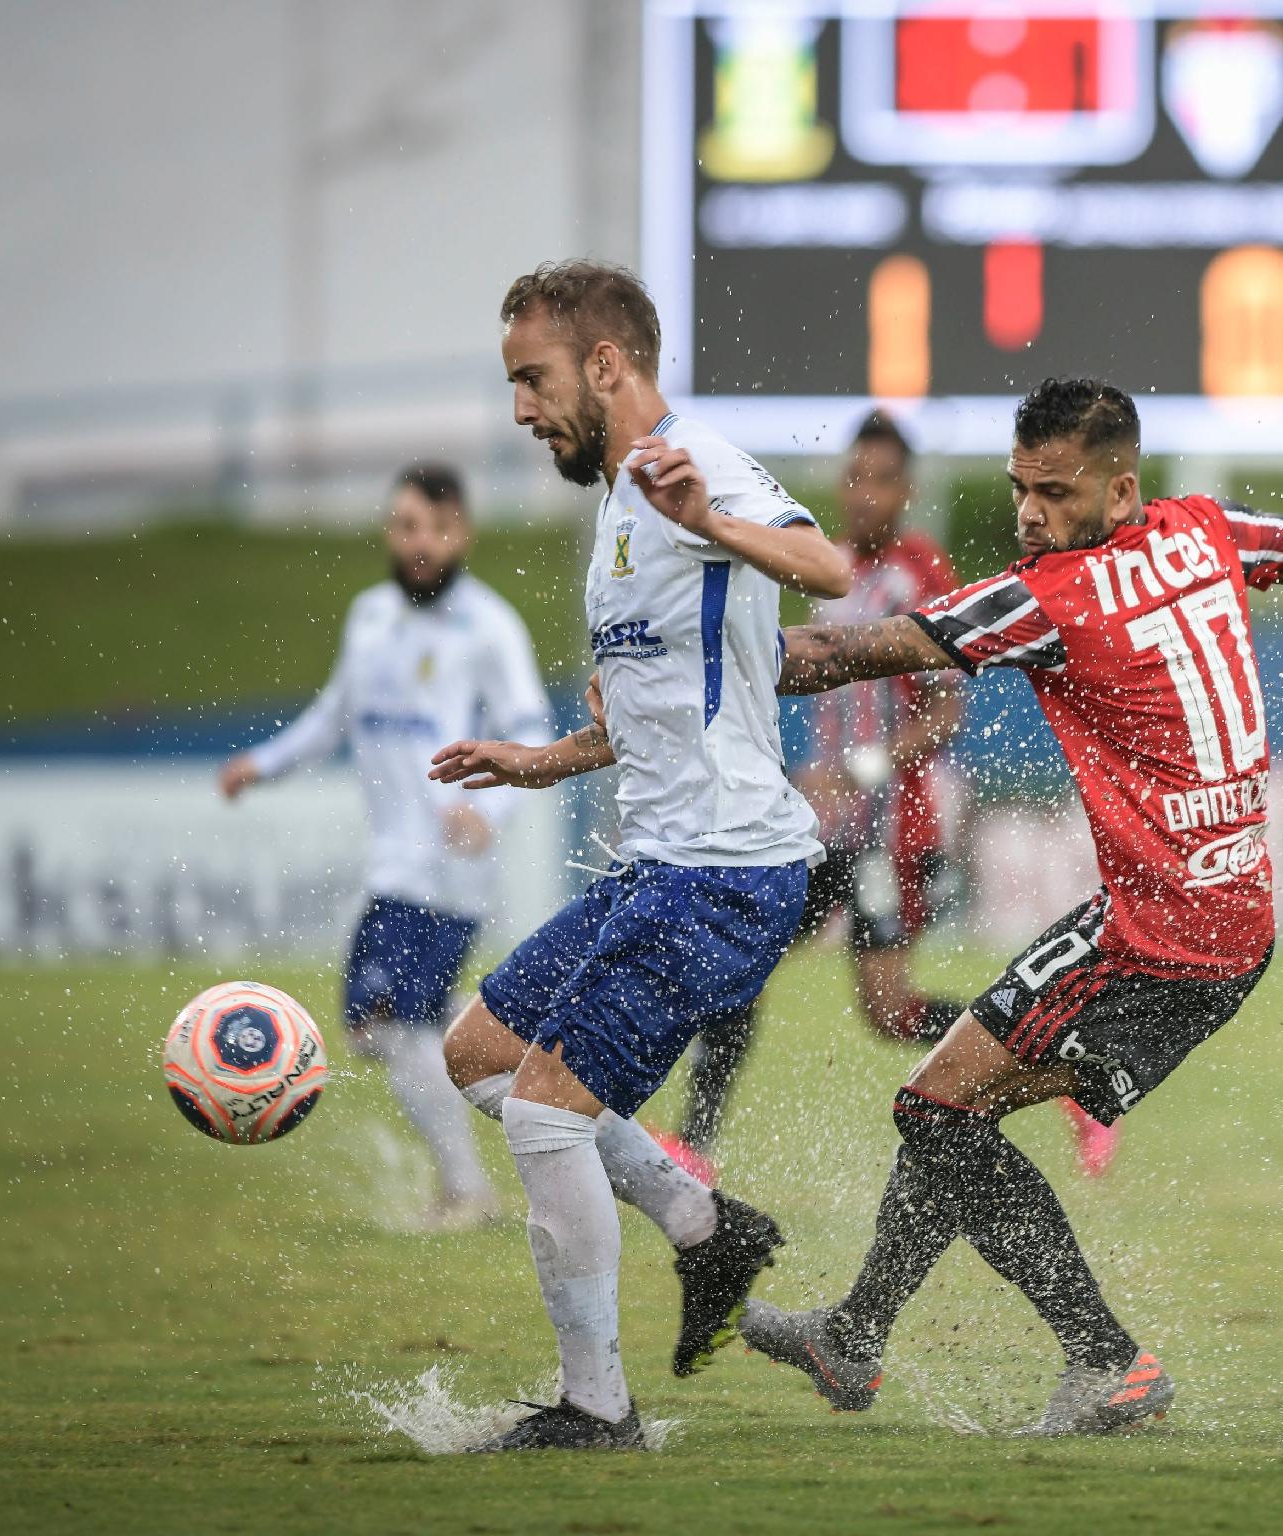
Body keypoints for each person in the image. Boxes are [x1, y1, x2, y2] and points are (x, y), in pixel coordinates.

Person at [740, 378, 1283, 1435]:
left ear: (1121, 488)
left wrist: (690, 672)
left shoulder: (1052, 597)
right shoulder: (1212, 530)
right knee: (952, 1095)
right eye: (1018, 489)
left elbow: (849, 651)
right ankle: (852, 1336)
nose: (1030, 514)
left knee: (934, 1113)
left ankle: (1107, 1362)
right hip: (1210, 920)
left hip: (1158, 939)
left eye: (1054, 492)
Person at [425, 260, 852, 1452]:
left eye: (534, 378)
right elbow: (629, 722)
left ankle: (596, 1411)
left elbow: (829, 570)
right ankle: (710, 1230)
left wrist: (708, 520)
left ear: (606, 364)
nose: (520, 409)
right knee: (477, 1057)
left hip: (728, 869)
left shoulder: (690, 464)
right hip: (658, 865)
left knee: (546, 1118)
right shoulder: (617, 504)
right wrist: (537, 762)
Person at [218, 463, 552, 1231]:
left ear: (461, 533)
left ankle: (467, 1190)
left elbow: (531, 730)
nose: (420, 542)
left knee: (388, 1023)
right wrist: (260, 765)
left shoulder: (489, 626)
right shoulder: (369, 616)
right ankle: (510, 1041)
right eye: (406, 526)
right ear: (389, 531)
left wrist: (489, 812)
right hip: (392, 865)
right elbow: (334, 715)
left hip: (448, 869)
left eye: (435, 528)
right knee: (385, 1029)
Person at [668, 409, 970, 1169]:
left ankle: (1047, 1056)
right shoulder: (826, 566)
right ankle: (693, 1146)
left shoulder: (921, 573)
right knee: (740, 957)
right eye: (854, 475)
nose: (863, 493)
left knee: (890, 1012)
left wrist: (860, 768)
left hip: (892, 830)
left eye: (881, 479)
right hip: (821, 828)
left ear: (906, 490)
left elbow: (947, 714)